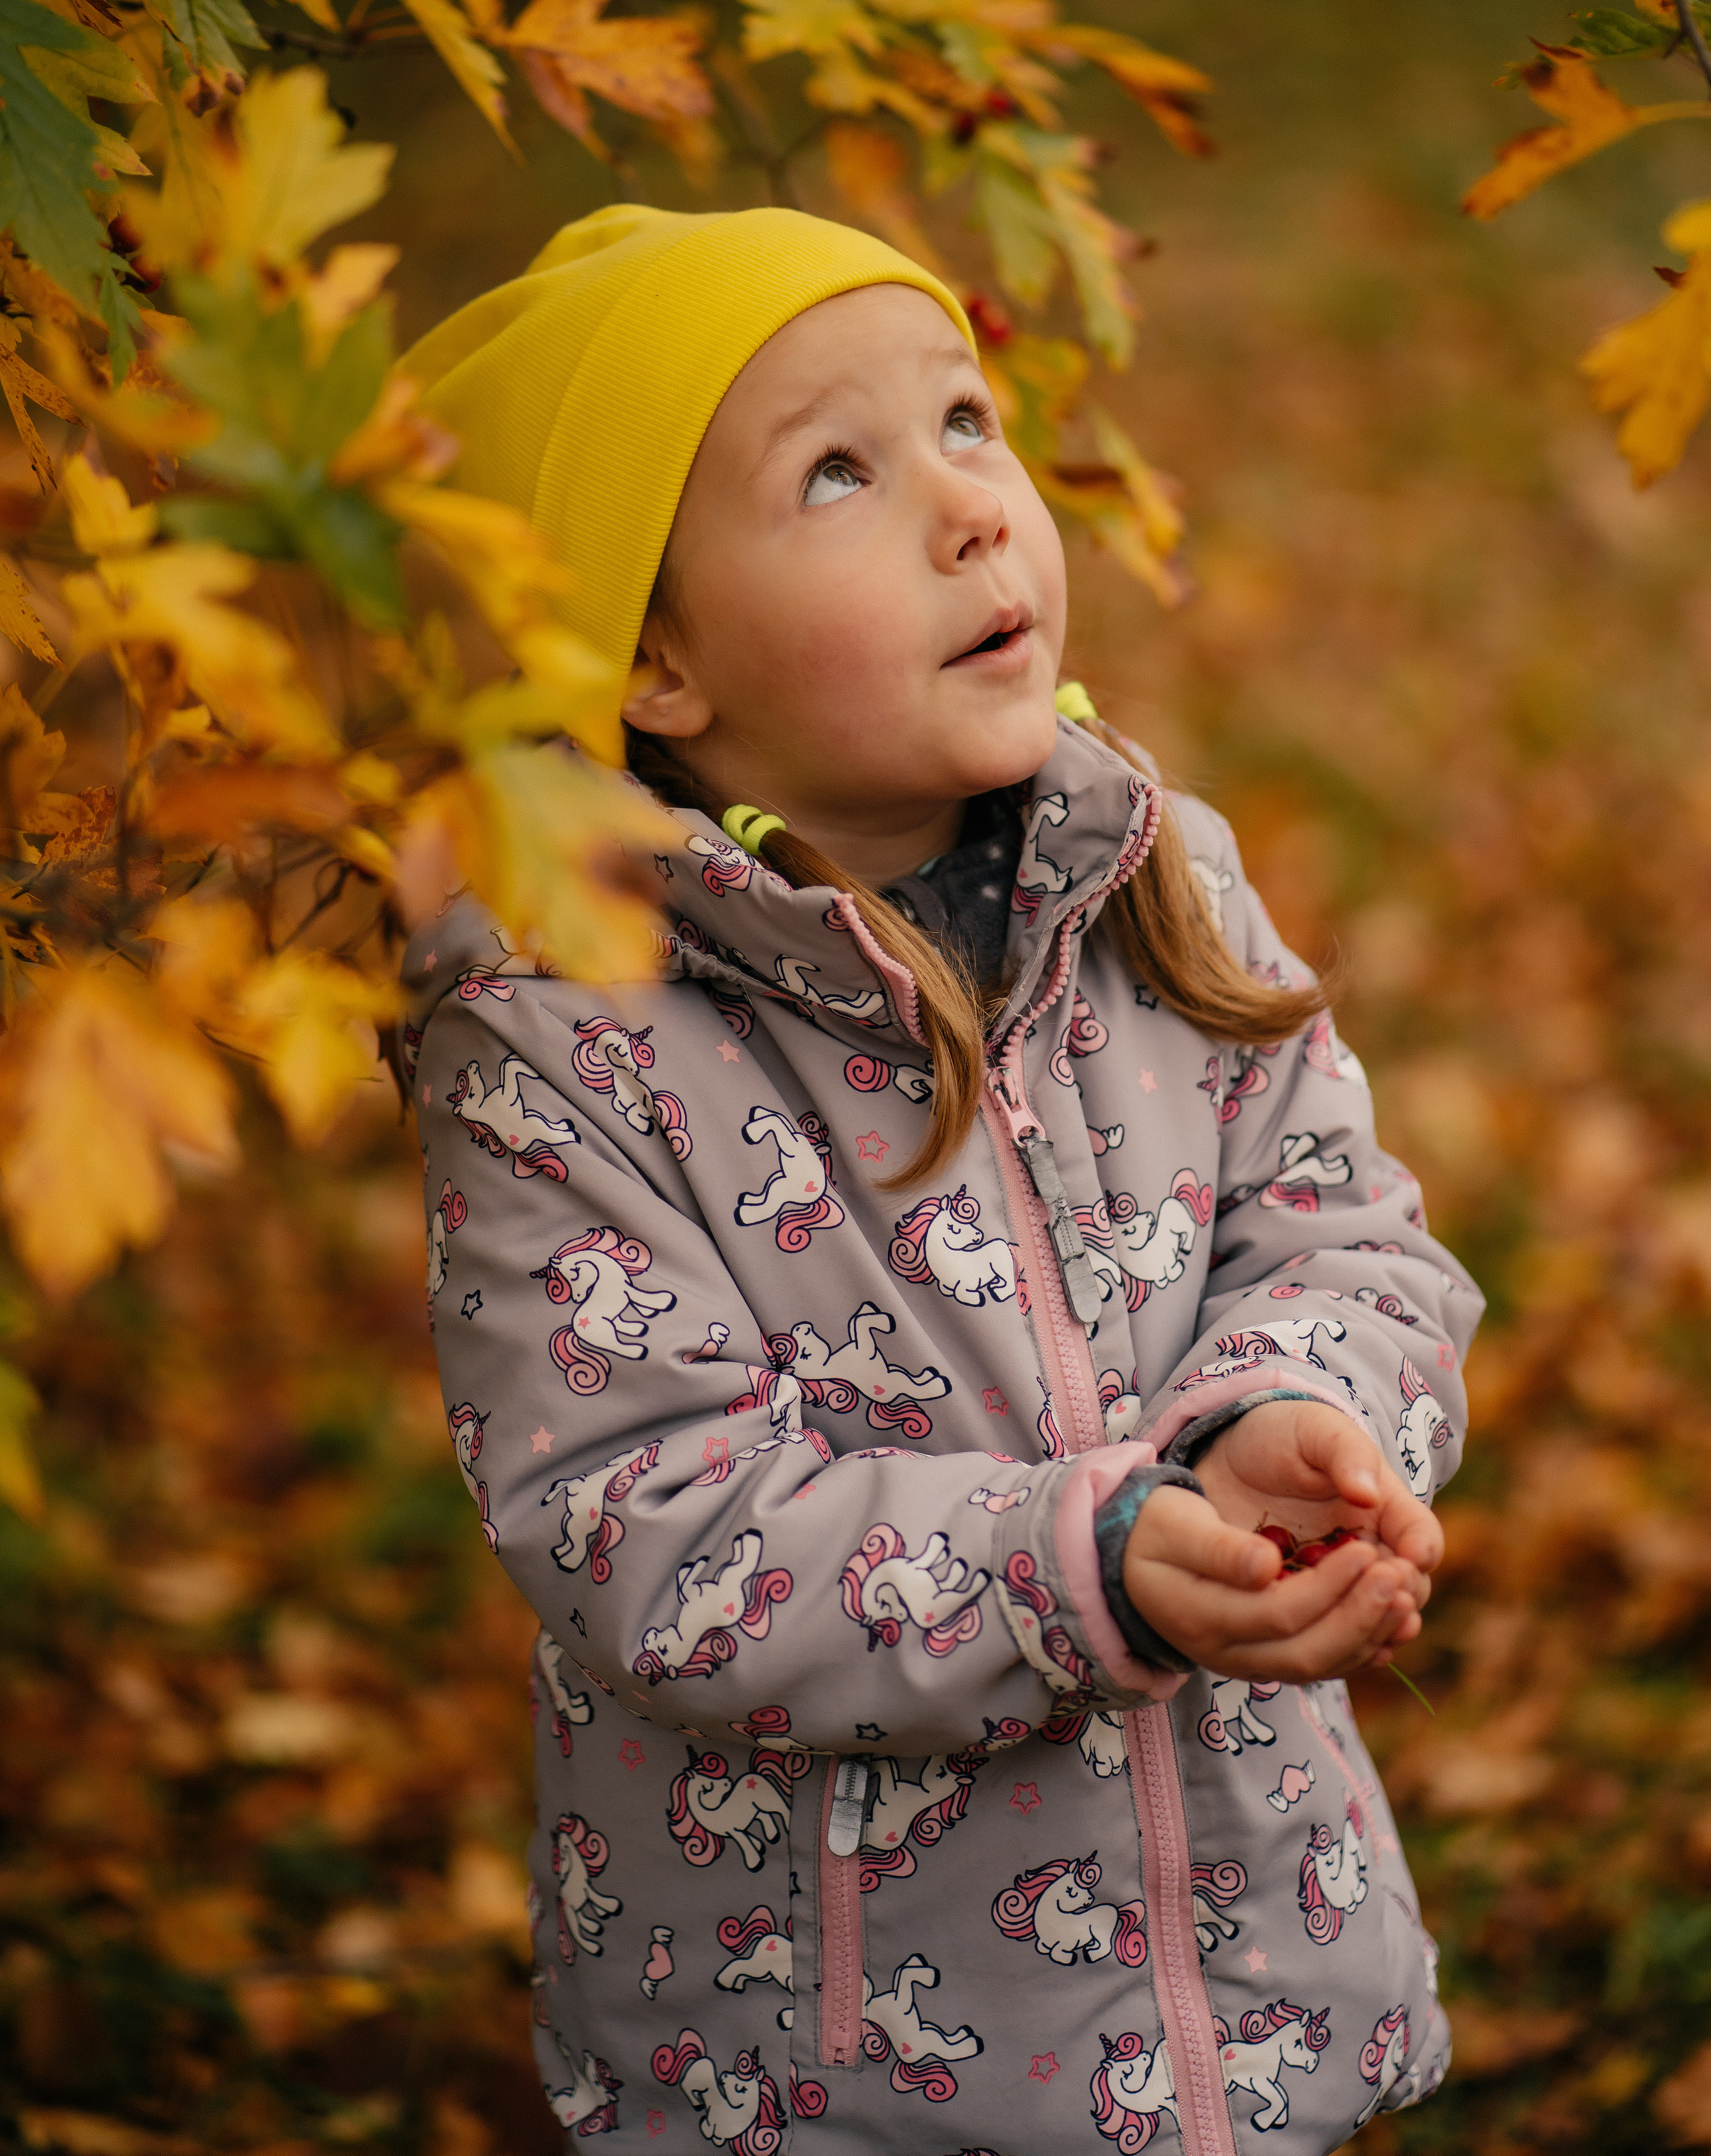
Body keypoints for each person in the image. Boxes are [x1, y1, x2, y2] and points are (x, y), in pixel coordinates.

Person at [399, 203, 1480, 2154]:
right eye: (838, 469)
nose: (975, 509)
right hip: (842, 2073)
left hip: (1252, 1990)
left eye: (969, 421)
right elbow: (649, 1529)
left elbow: (1348, 1231)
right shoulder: (571, 1037)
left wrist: (1299, 1417)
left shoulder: (1151, 875)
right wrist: (1082, 1565)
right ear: (651, 659)